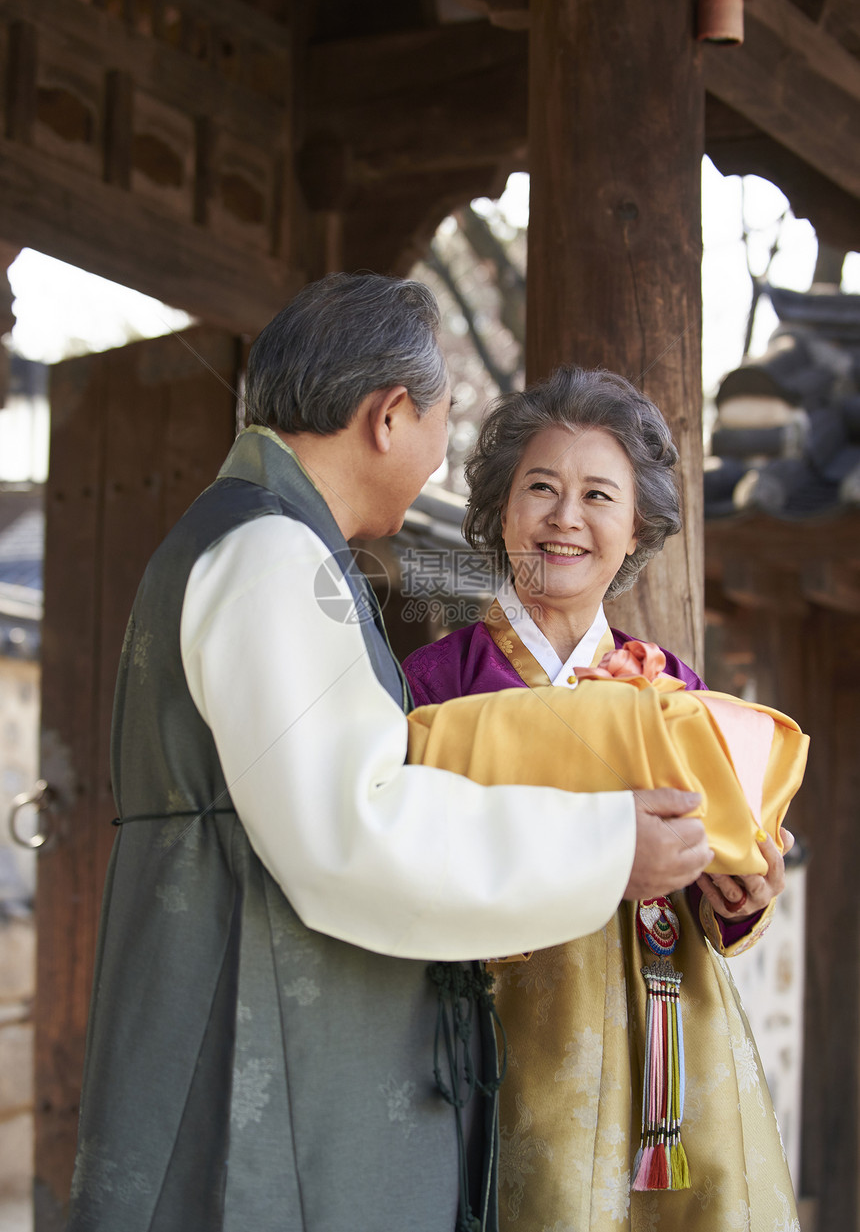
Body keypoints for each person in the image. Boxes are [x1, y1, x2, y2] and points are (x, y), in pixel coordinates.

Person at [66, 277, 711, 1232]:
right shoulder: (274, 555)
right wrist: (609, 847)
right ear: (390, 417)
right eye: (444, 424)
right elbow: (355, 827)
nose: (439, 458)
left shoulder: (262, 540)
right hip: (258, 1013)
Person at [403, 367, 800, 1232]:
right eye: (540, 487)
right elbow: (402, 853)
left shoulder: (676, 690)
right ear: (500, 509)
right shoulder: (434, 682)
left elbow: (717, 888)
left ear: (636, 529)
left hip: (666, 1042)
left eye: (598, 495)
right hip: (490, 1028)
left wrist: (742, 892)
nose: (565, 517)